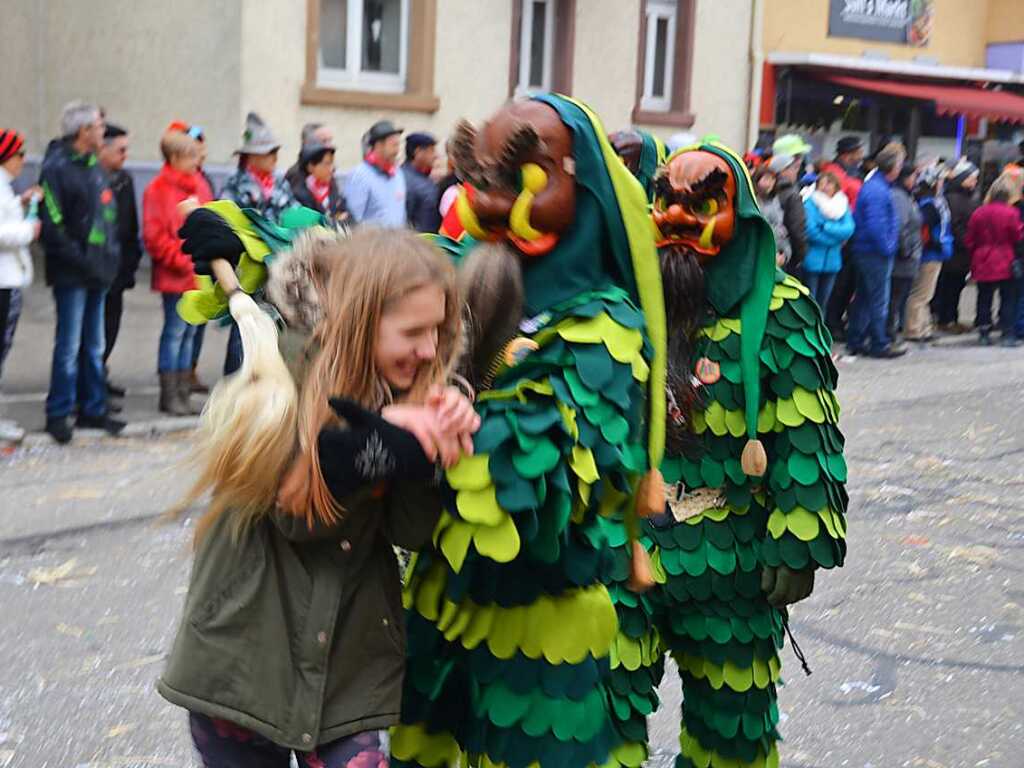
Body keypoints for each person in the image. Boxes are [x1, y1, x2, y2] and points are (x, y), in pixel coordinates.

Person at [393, 94, 667, 768]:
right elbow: (367, 265)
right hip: (437, 598)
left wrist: (399, 432)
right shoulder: (466, 273)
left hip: (540, 629)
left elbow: (536, 471)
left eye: (524, 179)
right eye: (482, 179)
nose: (492, 204)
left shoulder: (606, 327)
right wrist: (278, 249)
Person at [160, 223, 479, 767]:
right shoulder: (278, 376)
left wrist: (432, 451)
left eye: (438, 330)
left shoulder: (413, 385)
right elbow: (296, 518)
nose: (429, 349)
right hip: (242, 663)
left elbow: (410, 532)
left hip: (344, 667)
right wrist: (371, 445)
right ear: (359, 324)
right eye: (413, 332)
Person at [646, 140, 848, 768]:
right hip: (629, 555)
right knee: (600, 718)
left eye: (702, 204)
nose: (677, 219)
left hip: (731, 565)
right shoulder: (628, 302)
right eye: (665, 201)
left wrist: (799, 543)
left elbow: (806, 436)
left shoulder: (782, 313)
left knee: (732, 733)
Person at [40, 101, 124, 443]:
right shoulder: (57, 167)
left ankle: (93, 410)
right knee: (69, 345)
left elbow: (107, 219)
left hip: (98, 273)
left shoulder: (93, 166)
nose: (103, 131)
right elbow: (53, 224)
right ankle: (58, 413)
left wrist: (110, 259)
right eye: (98, 127)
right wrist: (81, 259)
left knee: (94, 346)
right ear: (82, 132)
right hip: (72, 274)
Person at [221, 112, 299, 375]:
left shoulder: (279, 183)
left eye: (275, 151)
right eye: (269, 151)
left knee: (273, 326)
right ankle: (236, 381)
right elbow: (227, 225)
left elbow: (292, 216)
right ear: (252, 156)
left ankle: (264, 382)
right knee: (243, 327)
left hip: (277, 268)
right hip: (247, 268)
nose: (275, 156)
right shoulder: (234, 186)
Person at [143, 131, 213, 415]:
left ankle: (183, 391)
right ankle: (169, 395)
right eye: (191, 156)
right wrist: (185, 261)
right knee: (175, 332)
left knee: (189, 333)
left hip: (197, 274)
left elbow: (210, 220)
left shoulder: (198, 186)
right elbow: (155, 237)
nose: (198, 162)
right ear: (175, 158)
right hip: (177, 276)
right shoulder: (157, 190)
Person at [846, 142, 907, 358]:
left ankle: (856, 339)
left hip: (867, 250)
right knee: (878, 298)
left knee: (863, 297)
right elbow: (876, 225)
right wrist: (889, 247)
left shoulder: (873, 186)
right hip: (874, 252)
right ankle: (878, 342)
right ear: (894, 166)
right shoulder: (878, 190)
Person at [0, 129, 40, 443]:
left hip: (9, 280)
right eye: (19, 154)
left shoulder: (5, 186)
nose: (23, 161)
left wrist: (21, 201)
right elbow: (3, 232)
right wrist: (29, 229)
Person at [96, 124, 142, 398]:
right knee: (93, 332)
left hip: (119, 269)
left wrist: (131, 263)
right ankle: (90, 385)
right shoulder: (94, 179)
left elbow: (130, 225)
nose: (126, 155)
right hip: (96, 268)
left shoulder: (124, 179)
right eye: (121, 149)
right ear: (104, 148)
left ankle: (100, 373)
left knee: (111, 327)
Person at [966, 175, 1024, 346]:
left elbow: (970, 239)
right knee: (1008, 297)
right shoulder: (1012, 213)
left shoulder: (979, 212)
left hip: (982, 258)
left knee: (984, 296)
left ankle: (984, 331)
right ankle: (1007, 333)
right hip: (1005, 257)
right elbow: (1017, 236)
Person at [903, 166, 953, 343]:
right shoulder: (930, 206)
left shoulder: (927, 203)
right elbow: (925, 231)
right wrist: (936, 245)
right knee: (921, 293)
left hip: (933, 253)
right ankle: (914, 329)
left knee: (925, 293)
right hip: (930, 254)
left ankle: (923, 327)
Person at [933, 159, 980, 333]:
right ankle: (946, 318)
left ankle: (951, 317)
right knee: (950, 286)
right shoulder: (953, 198)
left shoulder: (969, 198)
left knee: (957, 285)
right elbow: (954, 225)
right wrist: (967, 241)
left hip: (962, 252)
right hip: (955, 251)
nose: (975, 181)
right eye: (972, 178)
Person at [802, 170, 855, 311]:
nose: (825, 187)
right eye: (822, 183)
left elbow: (849, 229)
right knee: (810, 303)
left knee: (824, 303)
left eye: (829, 183)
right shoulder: (810, 203)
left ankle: (821, 332)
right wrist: (836, 239)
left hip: (833, 261)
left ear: (836, 186)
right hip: (812, 259)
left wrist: (826, 226)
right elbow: (811, 231)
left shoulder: (842, 204)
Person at [344, 120, 407, 228]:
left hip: (396, 242)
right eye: (393, 145)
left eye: (398, 145)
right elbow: (352, 221)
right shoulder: (360, 175)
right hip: (370, 243)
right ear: (379, 146)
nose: (397, 151)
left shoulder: (398, 173)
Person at [889, 164, 923, 340]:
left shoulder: (907, 196)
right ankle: (890, 333)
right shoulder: (899, 197)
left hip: (908, 255)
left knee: (899, 297)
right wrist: (906, 250)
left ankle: (893, 331)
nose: (915, 181)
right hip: (903, 257)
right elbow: (901, 226)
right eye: (913, 177)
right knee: (895, 298)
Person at [768, 148, 809, 275]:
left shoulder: (768, 191)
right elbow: (797, 228)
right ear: (782, 171)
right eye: (793, 168)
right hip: (786, 252)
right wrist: (801, 254)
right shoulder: (792, 195)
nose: (796, 172)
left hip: (769, 250)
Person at [288, 142, 348, 227]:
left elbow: (344, 212)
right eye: (327, 164)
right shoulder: (299, 194)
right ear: (311, 167)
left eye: (332, 163)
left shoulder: (332, 184)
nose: (332, 168)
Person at [402, 132, 442, 233]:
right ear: (418, 152)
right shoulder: (406, 181)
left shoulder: (423, 177)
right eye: (431, 151)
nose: (436, 156)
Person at [752, 164, 791, 266]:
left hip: (774, 255)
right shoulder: (751, 202)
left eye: (773, 180)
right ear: (756, 180)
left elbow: (781, 229)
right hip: (757, 257)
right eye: (766, 179)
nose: (770, 183)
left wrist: (784, 254)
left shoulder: (774, 201)